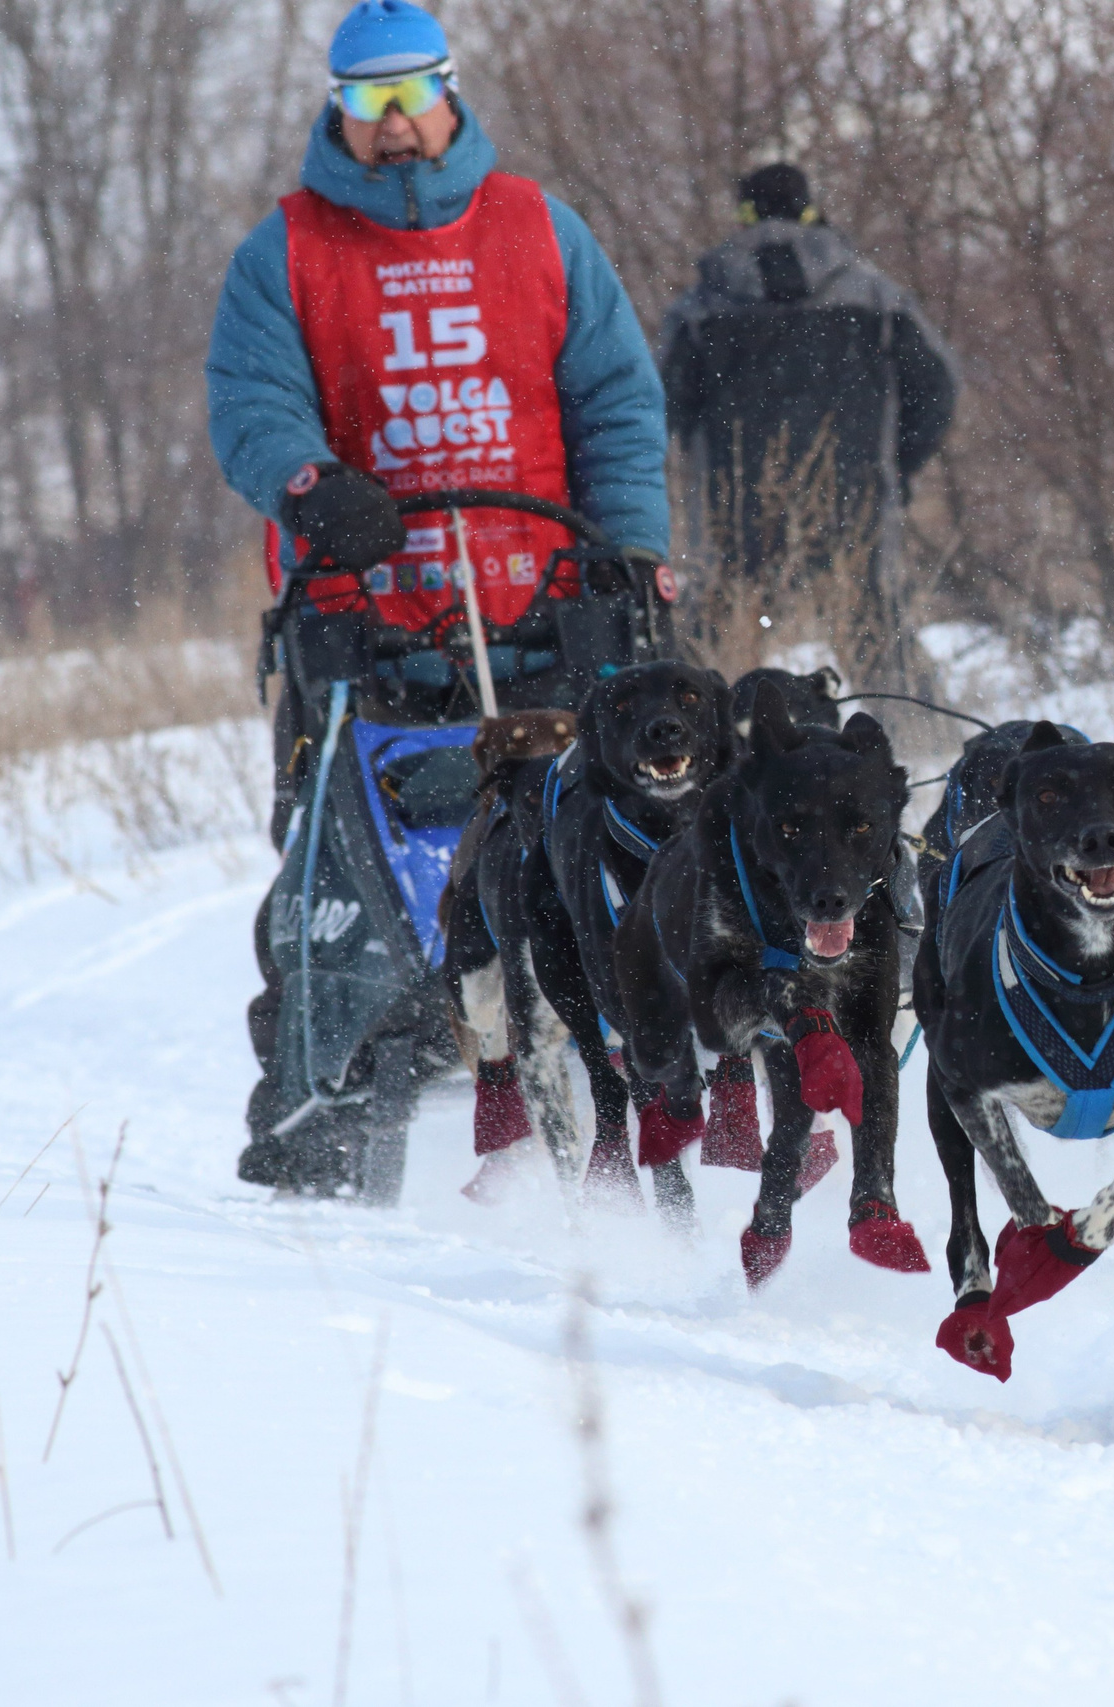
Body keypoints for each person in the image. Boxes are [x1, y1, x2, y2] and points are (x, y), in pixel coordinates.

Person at [207, 0, 669, 1194]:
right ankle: (330, 1165)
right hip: (365, 633)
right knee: (345, 902)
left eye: (414, 94)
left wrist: (631, 549)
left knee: (620, 867)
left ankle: (655, 1137)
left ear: (452, 91)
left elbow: (616, 401)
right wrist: (311, 486)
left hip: (549, 613)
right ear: (337, 110)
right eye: (369, 102)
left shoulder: (539, 229)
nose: (396, 124)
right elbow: (251, 404)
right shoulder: (288, 251)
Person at [661, 164, 956, 672]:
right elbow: (937, 387)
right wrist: (898, 466)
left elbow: (658, 403)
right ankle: (916, 741)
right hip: (854, 499)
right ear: (810, 205)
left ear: (743, 214)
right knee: (878, 640)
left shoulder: (702, 306)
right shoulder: (873, 293)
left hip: (734, 511)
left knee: (712, 653)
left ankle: (703, 742)